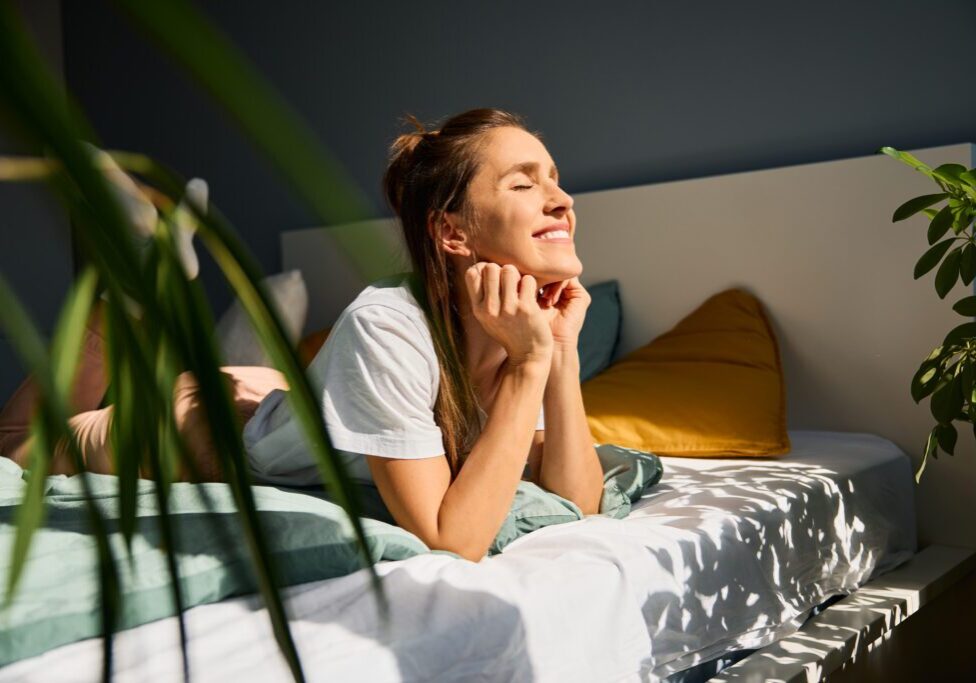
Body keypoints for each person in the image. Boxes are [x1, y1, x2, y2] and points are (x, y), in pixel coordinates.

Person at [243, 108, 605, 561]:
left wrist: (560, 349)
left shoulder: (518, 326)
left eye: (554, 179)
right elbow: (450, 542)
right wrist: (528, 364)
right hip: (216, 434)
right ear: (452, 232)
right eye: (523, 184)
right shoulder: (384, 326)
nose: (563, 199)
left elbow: (583, 504)